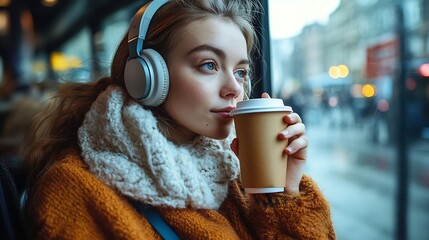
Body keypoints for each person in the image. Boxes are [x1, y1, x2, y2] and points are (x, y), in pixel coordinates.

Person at [24, 0, 336, 239]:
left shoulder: (237, 171)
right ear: (146, 76)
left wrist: (282, 194)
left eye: (240, 71)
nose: (234, 88)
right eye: (209, 65)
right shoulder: (75, 188)